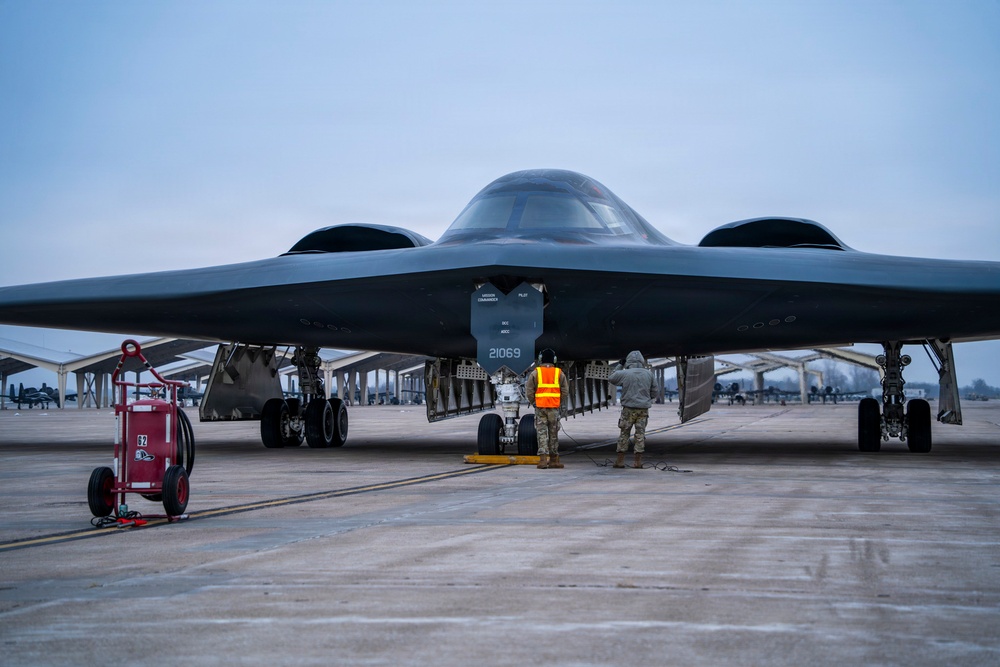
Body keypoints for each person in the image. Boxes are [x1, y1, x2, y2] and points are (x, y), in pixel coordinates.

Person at [608, 350, 658, 468]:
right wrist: (646, 399)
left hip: (628, 409)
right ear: (642, 361)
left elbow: (611, 378)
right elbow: (655, 391)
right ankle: (638, 462)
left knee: (624, 434)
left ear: (628, 361)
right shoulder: (649, 374)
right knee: (640, 434)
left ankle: (620, 461)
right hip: (643, 409)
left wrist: (620, 364)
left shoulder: (625, 374)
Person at [526, 348, 568, 469]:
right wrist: (557, 401)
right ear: (554, 360)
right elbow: (565, 390)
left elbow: (529, 390)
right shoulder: (559, 373)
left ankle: (543, 461)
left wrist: (534, 402)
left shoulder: (535, 373)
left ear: (540, 360)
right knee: (553, 433)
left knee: (541, 433)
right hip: (553, 408)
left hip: (540, 407)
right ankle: (554, 460)